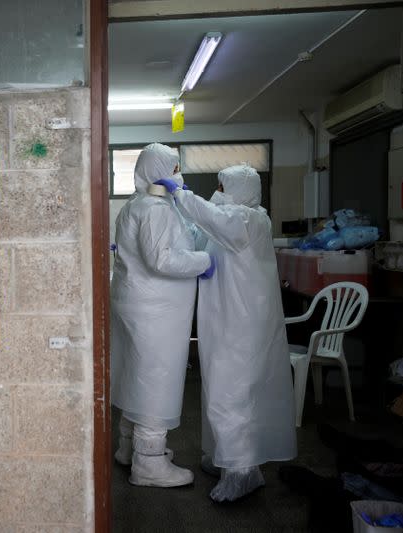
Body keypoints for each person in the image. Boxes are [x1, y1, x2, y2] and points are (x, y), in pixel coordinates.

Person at [173, 164, 297, 502]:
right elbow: (202, 232)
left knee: (232, 394)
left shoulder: (250, 219)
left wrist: (181, 194)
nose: (219, 191)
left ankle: (242, 474)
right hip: (224, 321)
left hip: (242, 326)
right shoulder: (231, 220)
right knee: (220, 391)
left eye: (223, 186)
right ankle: (228, 458)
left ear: (241, 189)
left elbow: (213, 218)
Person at [110, 143, 214, 488]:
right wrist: (204, 261)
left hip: (138, 305)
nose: (177, 175)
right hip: (156, 313)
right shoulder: (155, 208)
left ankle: (129, 448)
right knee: (156, 380)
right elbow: (162, 259)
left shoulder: (135, 205)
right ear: (158, 170)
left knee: (134, 376)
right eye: (173, 168)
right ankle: (149, 463)